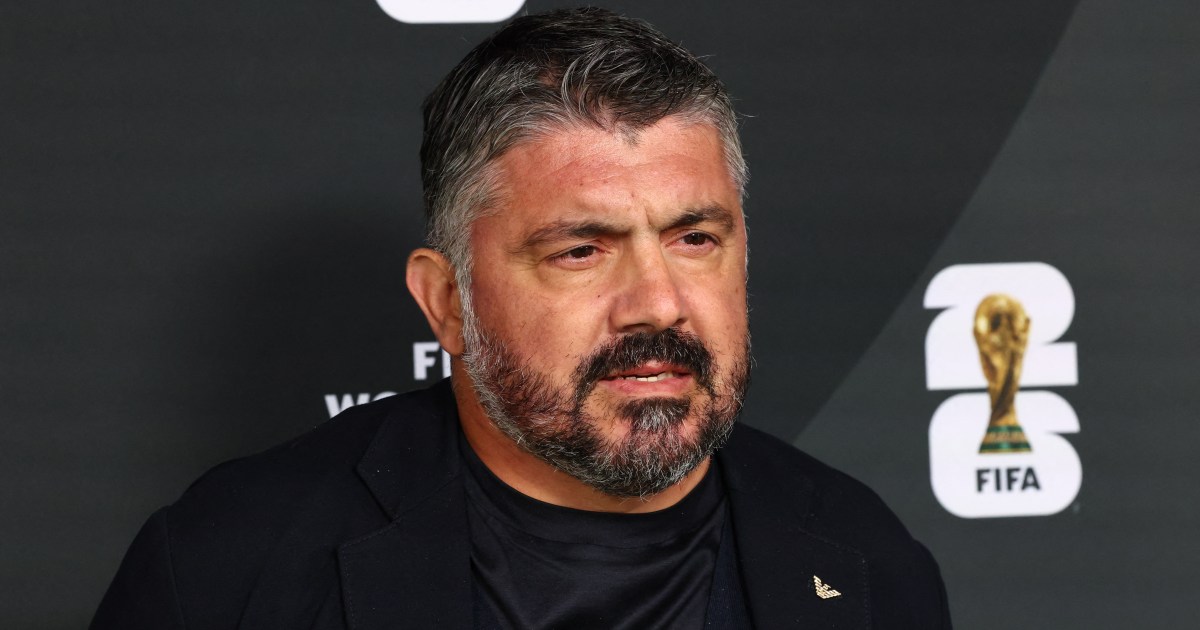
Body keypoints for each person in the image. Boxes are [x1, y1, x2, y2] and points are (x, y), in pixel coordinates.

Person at [92, 7, 950, 629]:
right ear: (447, 303)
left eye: (694, 238)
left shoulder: (868, 561)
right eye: (581, 250)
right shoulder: (229, 567)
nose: (658, 302)